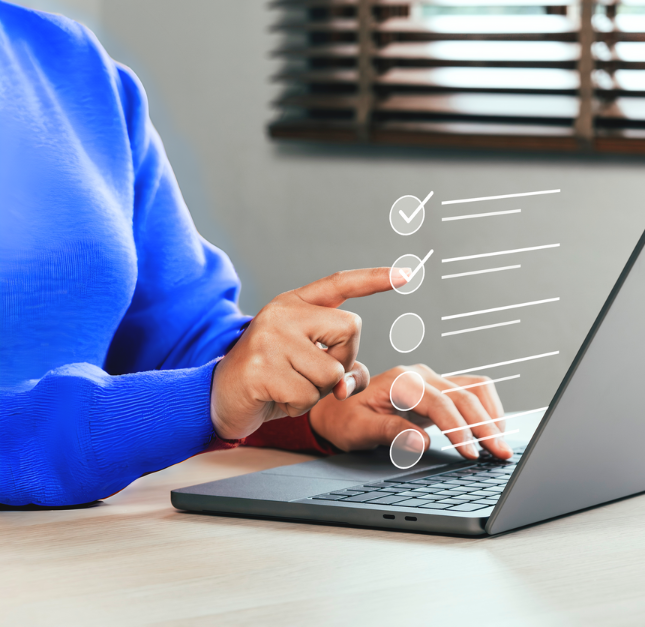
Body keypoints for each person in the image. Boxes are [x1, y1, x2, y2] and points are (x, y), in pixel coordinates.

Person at [0, 2, 509, 508]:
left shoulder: (72, 62)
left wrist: (307, 402)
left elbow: (175, 335)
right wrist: (208, 398)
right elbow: (201, 392)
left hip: (82, 553)